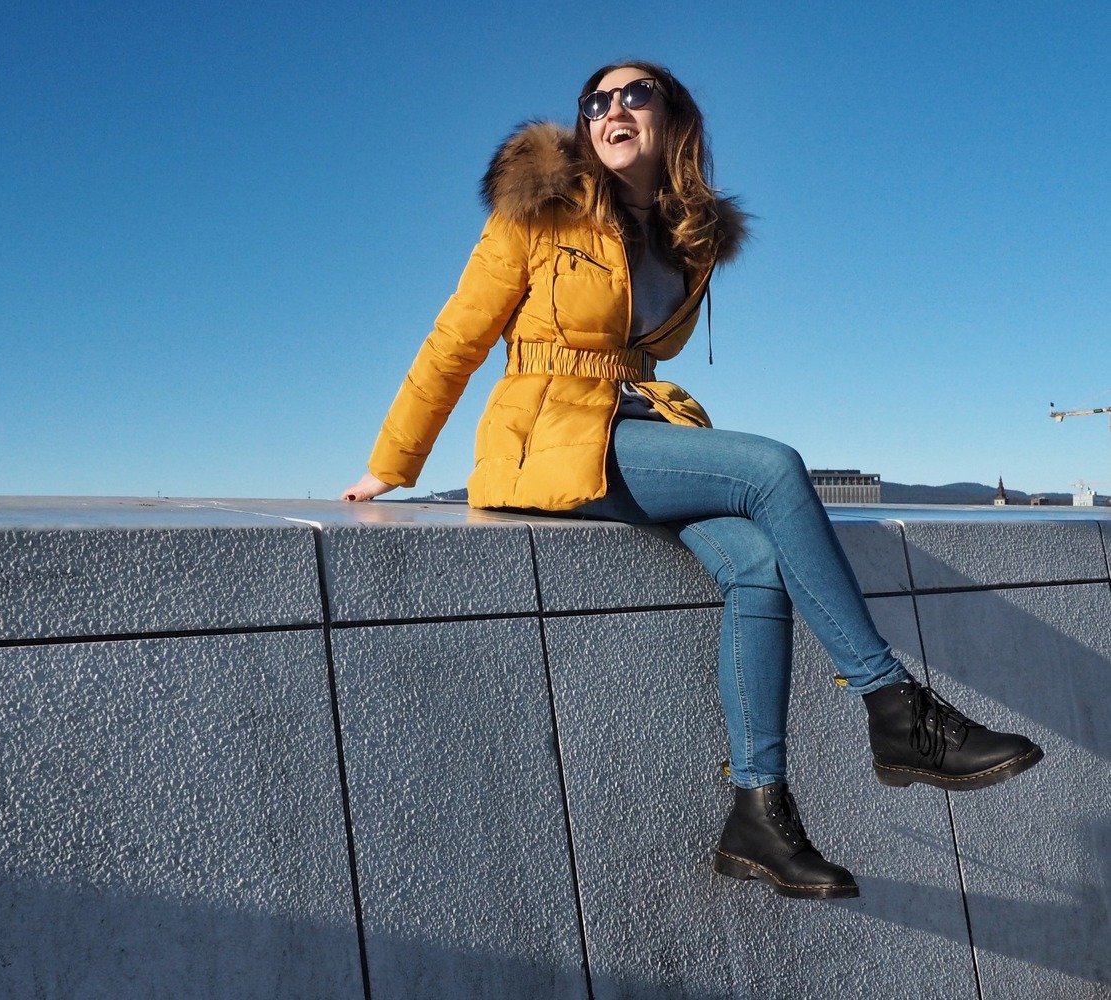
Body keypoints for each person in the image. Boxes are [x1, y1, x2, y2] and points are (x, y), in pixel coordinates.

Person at [340, 60, 1043, 900]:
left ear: (675, 119)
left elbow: (636, 356)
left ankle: (759, 811)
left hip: (630, 425)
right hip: (546, 436)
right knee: (773, 469)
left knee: (754, 562)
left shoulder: (684, 236)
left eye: (634, 94)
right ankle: (896, 712)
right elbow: (453, 340)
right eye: (596, 101)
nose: (611, 109)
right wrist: (392, 464)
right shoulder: (537, 214)